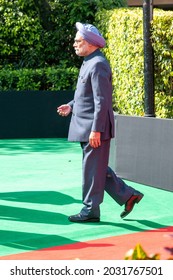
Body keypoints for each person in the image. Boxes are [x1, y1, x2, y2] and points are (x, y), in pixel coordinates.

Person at [57, 22, 144, 223]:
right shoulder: (90, 61)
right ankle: (129, 195)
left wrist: (96, 130)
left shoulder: (98, 64)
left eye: (78, 41)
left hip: (93, 129)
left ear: (90, 43)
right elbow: (86, 95)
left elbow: (102, 100)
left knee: (92, 170)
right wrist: (71, 105)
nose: (74, 44)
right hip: (87, 127)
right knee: (98, 169)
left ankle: (90, 211)